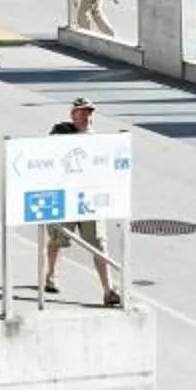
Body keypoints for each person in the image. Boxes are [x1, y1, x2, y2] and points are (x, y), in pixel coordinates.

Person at [41, 97, 120, 306]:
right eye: (83, 113)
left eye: (90, 113)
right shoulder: (61, 133)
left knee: (99, 244)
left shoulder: (97, 140)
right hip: (66, 198)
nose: (87, 117)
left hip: (89, 200)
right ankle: (51, 275)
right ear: (73, 115)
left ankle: (108, 290)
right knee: (57, 238)